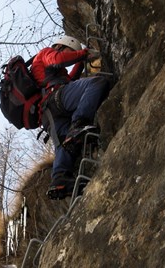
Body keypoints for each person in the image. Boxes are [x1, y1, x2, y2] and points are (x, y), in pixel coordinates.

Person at [30, 35, 110, 200]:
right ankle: (79, 122)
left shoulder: (52, 72)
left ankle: (60, 178)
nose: (71, 54)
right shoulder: (47, 53)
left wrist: (81, 61)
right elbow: (58, 59)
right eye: (70, 51)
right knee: (96, 83)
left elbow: (70, 80)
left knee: (65, 143)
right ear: (60, 46)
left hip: (49, 114)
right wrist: (83, 53)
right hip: (56, 100)